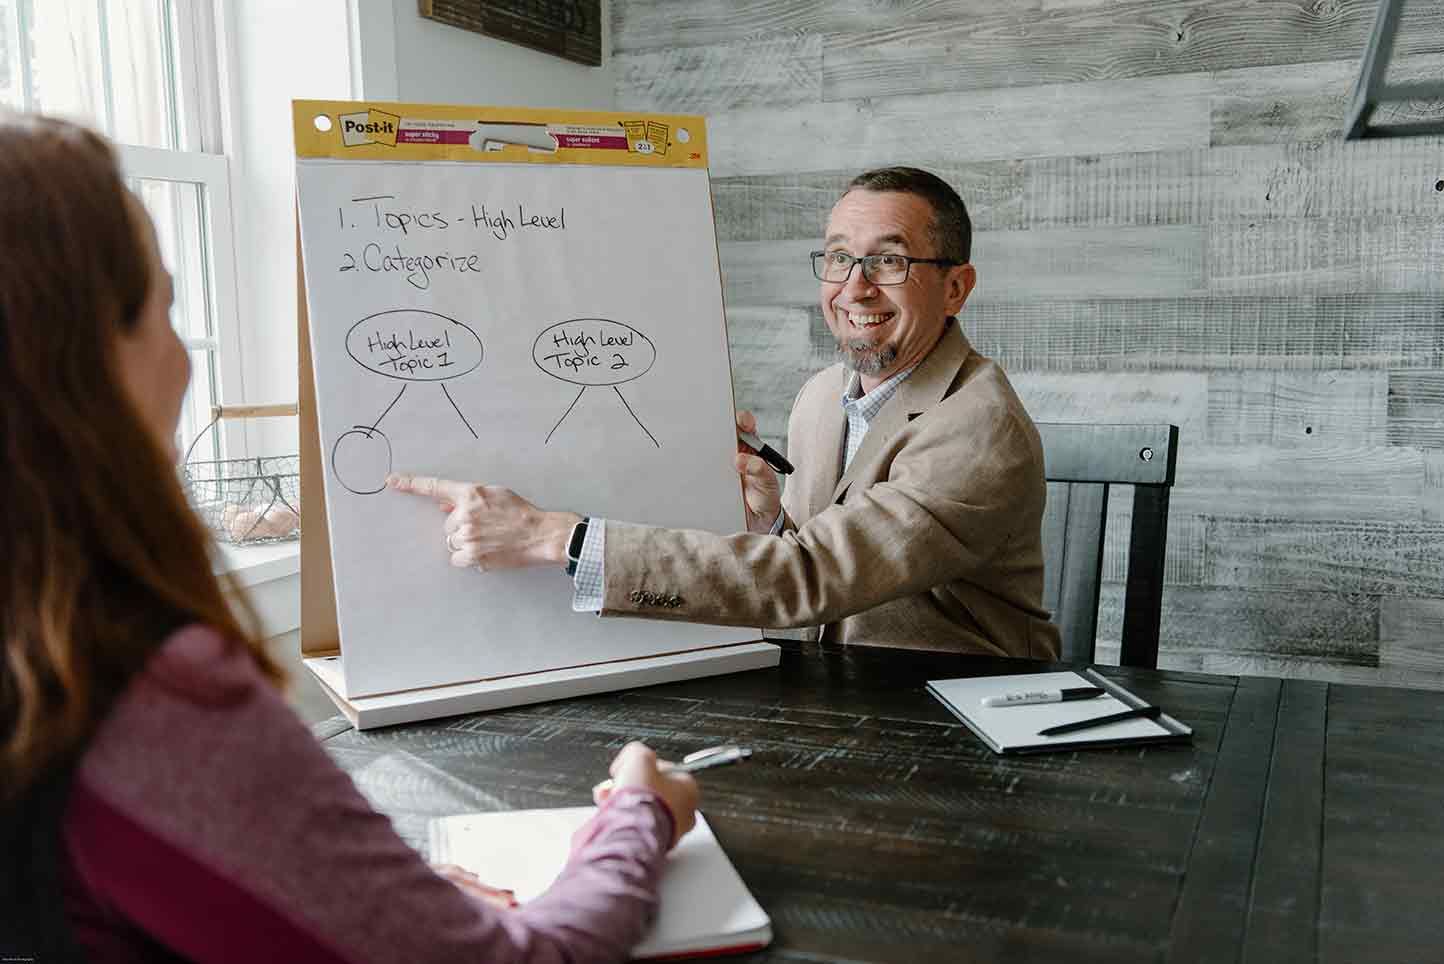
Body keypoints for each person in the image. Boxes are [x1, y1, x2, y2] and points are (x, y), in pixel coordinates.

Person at [0, 112, 699, 963]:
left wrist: (372, 909)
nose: (186, 362)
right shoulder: (148, 695)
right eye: (164, 311)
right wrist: (639, 813)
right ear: (79, 361)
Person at [389, 167, 1061, 660]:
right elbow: (824, 550)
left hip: (954, 723)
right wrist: (773, 517)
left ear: (955, 288)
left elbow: (813, 577)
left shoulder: (979, 428)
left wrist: (556, 537)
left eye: (888, 260)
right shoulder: (825, 394)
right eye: (837, 257)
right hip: (836, 696)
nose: (854, 286)